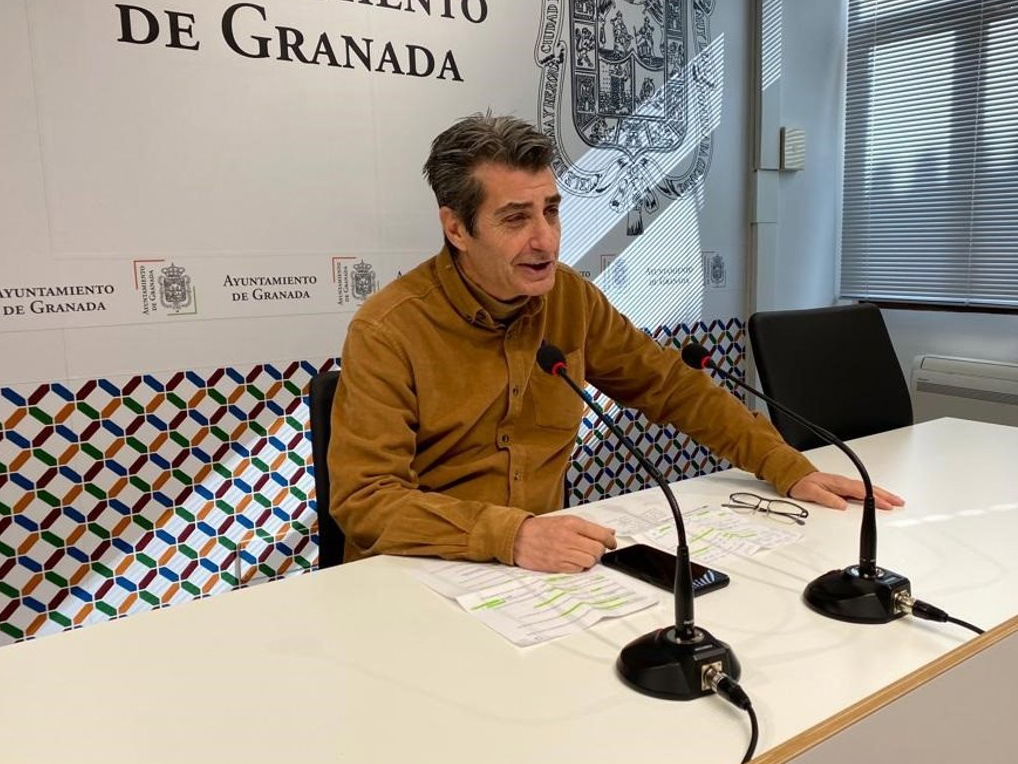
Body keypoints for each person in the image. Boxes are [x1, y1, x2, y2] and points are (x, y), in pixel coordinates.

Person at [329, 113, 902, 573]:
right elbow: (365, 500)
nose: (545, 239)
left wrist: (783, 465)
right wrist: (513, 535)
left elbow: (672, 387)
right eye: (515, 219)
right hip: (418, 572)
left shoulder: (571, 299)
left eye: (551, 211)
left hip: (537, 575)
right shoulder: (388, 330)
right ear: (456, 228)